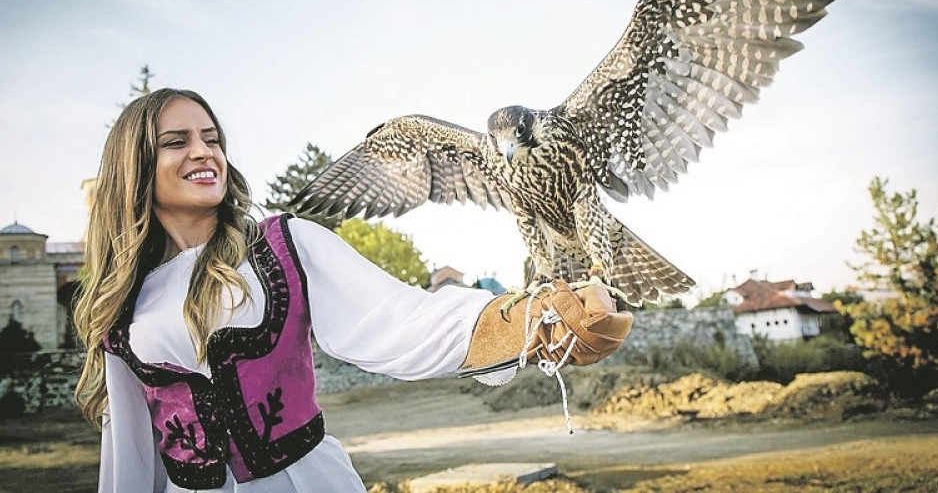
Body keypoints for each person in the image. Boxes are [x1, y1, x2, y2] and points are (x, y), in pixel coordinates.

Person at [73, 88, 633, 492]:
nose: (203, 151)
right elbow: (128, 453)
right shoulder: (122, 305)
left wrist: (533, 320)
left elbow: (402, 320)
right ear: (137, 166)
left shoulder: (281, 246)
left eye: (212, 138)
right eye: (177, 141)